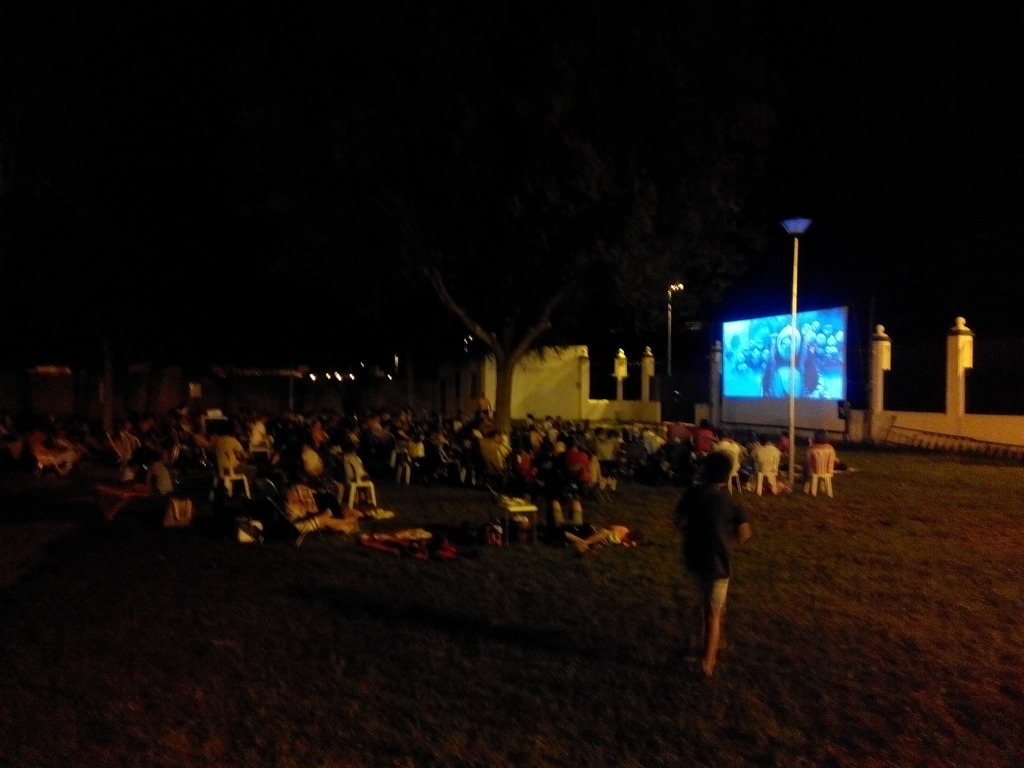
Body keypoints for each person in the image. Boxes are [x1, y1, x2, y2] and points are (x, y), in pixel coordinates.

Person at [673, 451, 752, 678]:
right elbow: (744, 533)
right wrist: (725, 536)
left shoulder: (691, 495)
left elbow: (679, 522)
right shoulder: (730, 502)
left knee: (705, 604)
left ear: (705, 471)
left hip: (695, 558)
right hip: (718, 563)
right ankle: (707, 663)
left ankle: (709, 648)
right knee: (713, 612)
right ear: (727, 476)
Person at [565, 524, 645, 555]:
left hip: (602, 543)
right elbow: (609, 527)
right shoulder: (623, 530)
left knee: (598, 546)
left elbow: (626, 545)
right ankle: (584, 543)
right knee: (604, 533)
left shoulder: (625, 543)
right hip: (596, 533)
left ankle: (582, 546)